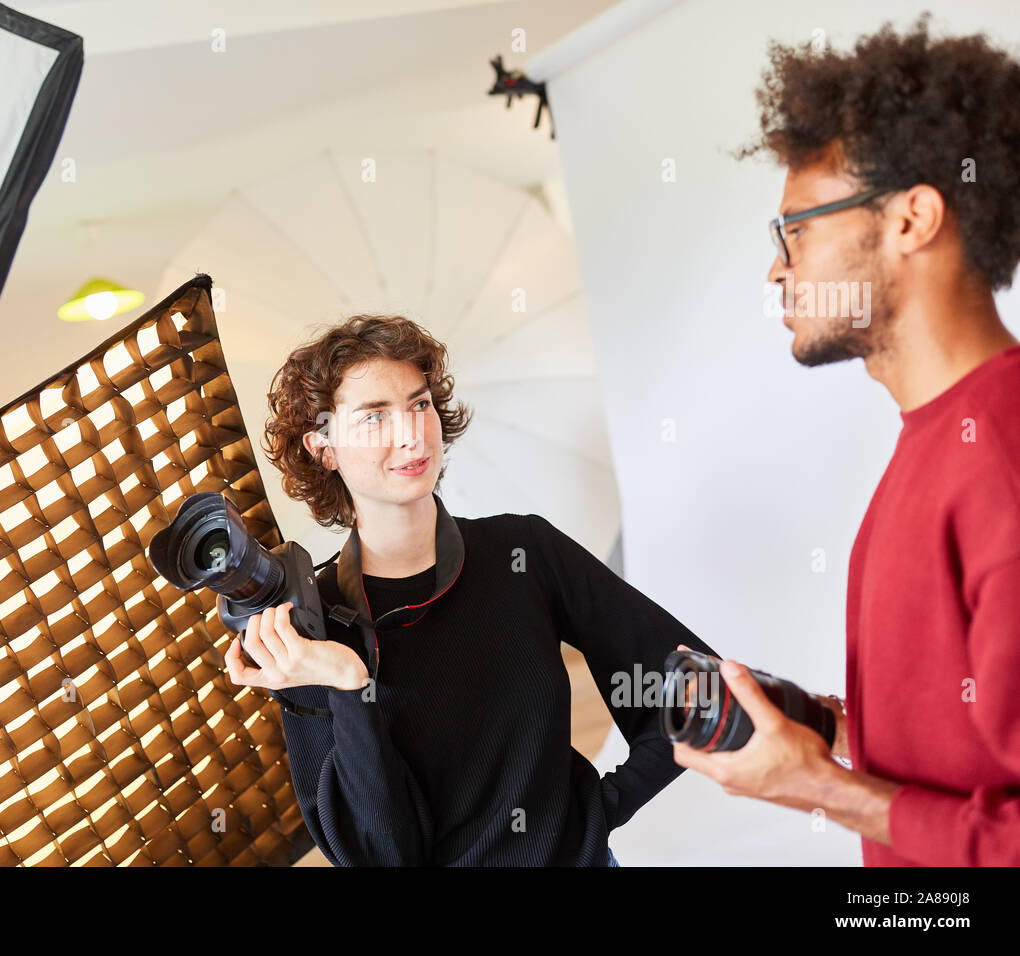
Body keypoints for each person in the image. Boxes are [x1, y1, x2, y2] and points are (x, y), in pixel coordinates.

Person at [672, 15, 1020, 866]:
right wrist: (829, 728)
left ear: (912, 220)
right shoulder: (930, 442)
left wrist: (821, 788)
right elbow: (967, 738)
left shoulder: (1001, 464)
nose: (776, 268)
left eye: (799, 228)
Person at [223, 314, 718, 865]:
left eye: (419, 404)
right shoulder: (313, 628)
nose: (412, 434)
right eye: (374, 417)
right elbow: (381, 855)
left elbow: (697, 684)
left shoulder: (523, 549)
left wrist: (599, 810)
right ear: (323, 448)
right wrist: (347, 682)